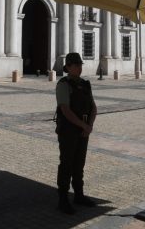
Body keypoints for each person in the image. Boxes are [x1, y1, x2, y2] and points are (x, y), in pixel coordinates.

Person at [54, 52, 98, 214]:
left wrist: (89, 126)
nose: (79, 68)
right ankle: (63, 199)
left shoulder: (86, 84)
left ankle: (79, 195)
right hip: (68, 130)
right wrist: (83, 126)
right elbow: (65, 110)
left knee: (79, 164)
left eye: (80, 65)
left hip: (83, 130)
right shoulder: (63, 85)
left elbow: (93, 107)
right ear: (68, 67)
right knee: (66, 163)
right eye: (76, 65)